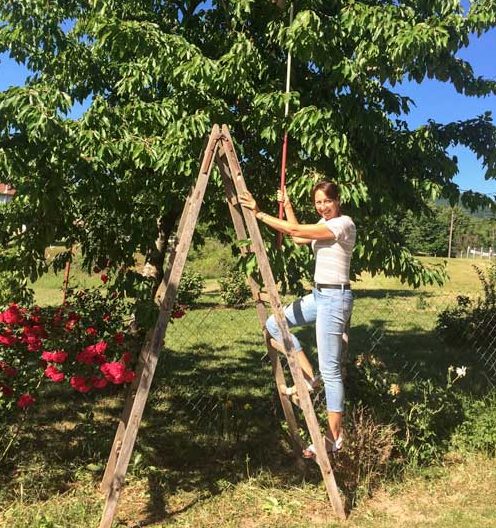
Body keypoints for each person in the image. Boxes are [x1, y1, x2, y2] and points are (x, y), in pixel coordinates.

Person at [239, 181, 355, 457]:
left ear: (337, 200)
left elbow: (293, 230)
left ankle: (333, 438)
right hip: (319, 296)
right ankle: (308, 378)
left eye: (327, 201)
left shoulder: (343, 225)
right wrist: (288, 206)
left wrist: (259, 213)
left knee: (332, 370)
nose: (322, 206)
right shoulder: (322, 224)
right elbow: (298, 238)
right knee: (274, 325)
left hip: (336, 299)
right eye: (317, 202)